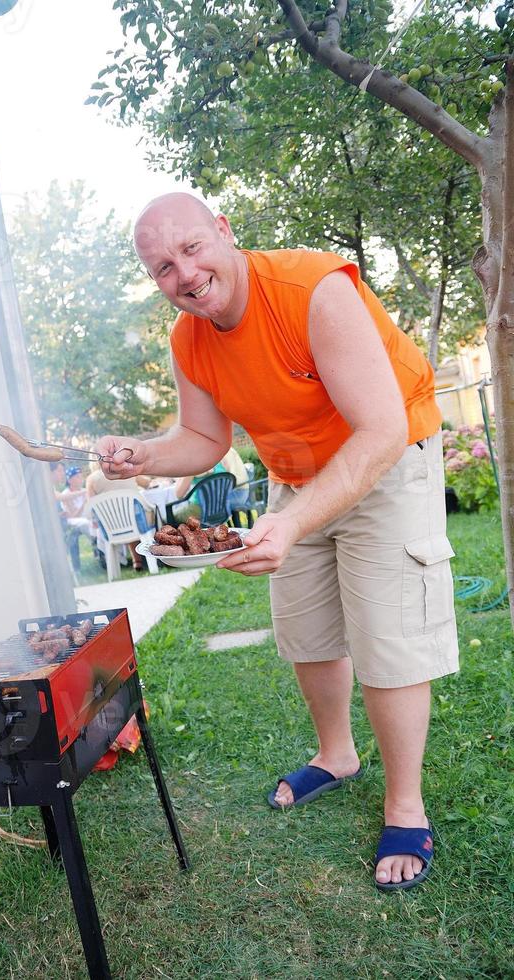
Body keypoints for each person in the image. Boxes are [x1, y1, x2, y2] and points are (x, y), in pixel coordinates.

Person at [96, 192, 459, 892]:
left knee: (388, 633)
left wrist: (289, 523)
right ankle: (337, 755)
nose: (185, 274)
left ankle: (405, 804)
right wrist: (141, 454)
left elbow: (380, 430)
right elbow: (205, 440)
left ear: (225, 232)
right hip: (297, 472)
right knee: (306, 627)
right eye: (163, 267)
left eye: (193, 248)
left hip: (386, 457)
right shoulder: (189, 339)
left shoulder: (312, 291)